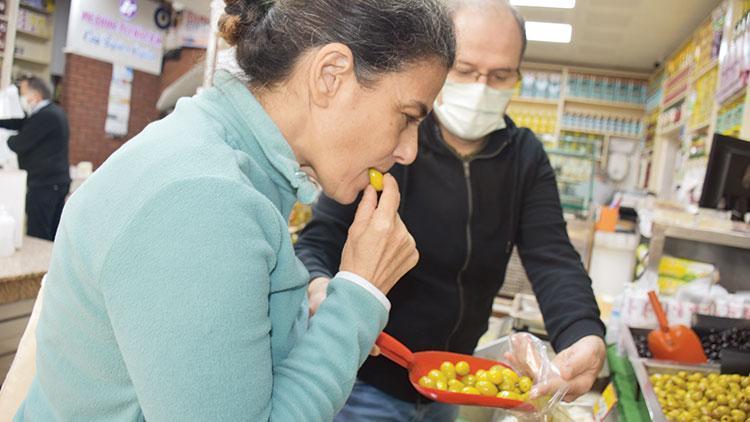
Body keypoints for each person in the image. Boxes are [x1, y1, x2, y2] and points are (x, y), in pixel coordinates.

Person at [14, 0, 455, 420]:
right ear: (331, 75)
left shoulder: (220, 160)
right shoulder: (201, 199)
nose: (409, 151)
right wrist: (361, 295)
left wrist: (300, 314)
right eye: (408, 116)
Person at [295, 1, 606, 420]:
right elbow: (321, 236)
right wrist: (317, 284)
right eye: (464, 70)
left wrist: (582, 332)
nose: (481, 87)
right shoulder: (395, 139)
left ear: (518, 75)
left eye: (499, 76)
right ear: (438, 65)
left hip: (452, 385)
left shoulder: (524, 157)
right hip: (366, 381)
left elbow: (552, 256)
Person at [0, 76, 70, 241]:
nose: (21, 98)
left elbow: (19, 143)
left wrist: (5, 139)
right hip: (54, 183)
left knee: (39, 235)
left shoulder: (46, 116)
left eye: (22, 93)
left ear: (35, 95)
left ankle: (40, 265)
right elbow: (21, 123)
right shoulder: (51, 112)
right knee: (50, 234)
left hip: (45, 185)